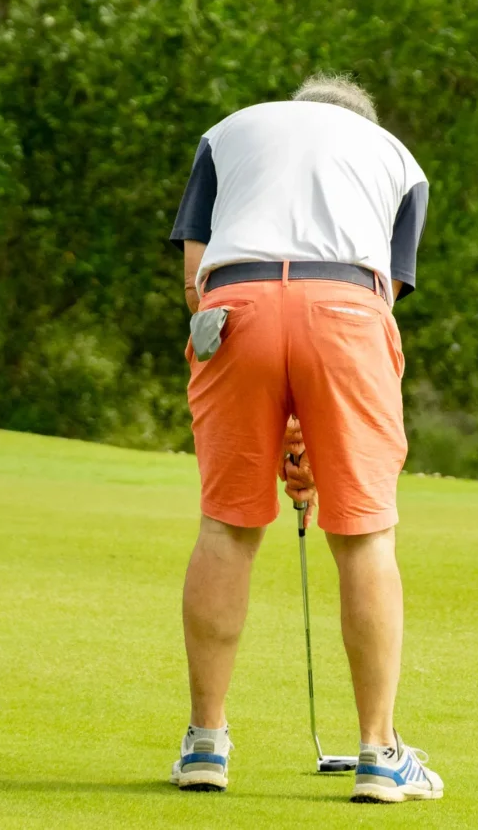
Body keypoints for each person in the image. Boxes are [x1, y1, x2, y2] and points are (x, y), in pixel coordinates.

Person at [165, 74, 442, 804]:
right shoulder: (398, 158)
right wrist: (310, 441)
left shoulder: (230, 131)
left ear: (295, 107)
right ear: (361, 122)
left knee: (226, 525)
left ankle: (204, 743)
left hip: (233, 304)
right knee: (363, 534)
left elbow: (196, 280)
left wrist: (284, 424)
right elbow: (378, 296)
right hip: (345, 307)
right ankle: (380, 752)